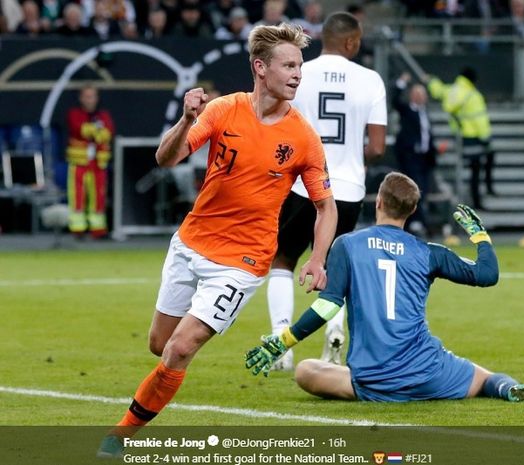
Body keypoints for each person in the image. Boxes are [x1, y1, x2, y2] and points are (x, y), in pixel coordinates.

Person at [97, 23, 337, 458]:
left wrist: (318, 259)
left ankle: (122, 433)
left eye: (300, 65)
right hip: (192, 242)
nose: (298, 74)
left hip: (242, 261)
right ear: (260, 68)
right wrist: (186, 119)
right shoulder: (224, 110)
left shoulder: (303, 136)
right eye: (289, 65)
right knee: (159, 344)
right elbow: (166, 158)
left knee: (180, 347)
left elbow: (326, 207)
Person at [246, 172, 524, 403]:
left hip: (373, 377)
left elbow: (327, 306)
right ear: (412, 210)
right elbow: (487, 275)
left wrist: (282, 341)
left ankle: (372, 383)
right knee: (487, 379)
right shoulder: (429, 252)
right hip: (428, 370)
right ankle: (509, 391)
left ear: (378, 203)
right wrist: (479, 235)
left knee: (306, 371)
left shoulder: (347, 245)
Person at [265, 11, 386, 370]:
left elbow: (276, 125)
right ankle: (334, 330)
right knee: (334, 266)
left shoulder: (300, 73)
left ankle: (281, 341)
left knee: (284, 260)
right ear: (350, 42)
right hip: (347, 189)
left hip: (303, 185)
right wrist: (349, 156)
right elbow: (377, 147)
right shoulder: (370, 79)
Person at [427, 67, 494, 210]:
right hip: (474, 137)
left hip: (460, 136)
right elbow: (480, 120)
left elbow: (438, 91)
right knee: (478, 168)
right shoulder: (473, 95)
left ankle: (475, 198)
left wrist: (431, 81)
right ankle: (481, 196)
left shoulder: (452, 90)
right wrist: (486, 138)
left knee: (471, 168)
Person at [65, 84, 115, 239]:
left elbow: (108, 133)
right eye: (86, 96)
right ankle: (77, 228)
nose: (89, 100)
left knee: (99, 196)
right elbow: (78, 129)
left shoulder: (103, 115)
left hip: (98, 163)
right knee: (77, 195)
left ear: (97, 98)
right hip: (79, 162)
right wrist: (95, 131)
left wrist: (93, 132)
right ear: (81, 98)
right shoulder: (74, 113)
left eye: (92, 96)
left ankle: (98, 228)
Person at [392, 71, 437, 237]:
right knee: (414, 190)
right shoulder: (407, 111)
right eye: (417, 94)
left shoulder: (425, 113)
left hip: (425, 158)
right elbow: (395, 100)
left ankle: (417, 222)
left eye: (422, 94)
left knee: (423, 191)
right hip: (411, 157)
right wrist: (401, 83)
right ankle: (419, 223)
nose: (420, 97)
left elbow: (427, 134)